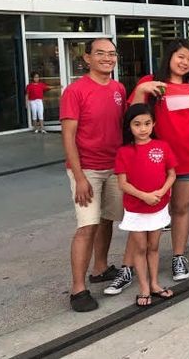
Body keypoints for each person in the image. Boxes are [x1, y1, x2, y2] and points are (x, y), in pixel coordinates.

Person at [129, 39, 189, 280]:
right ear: (169, 56)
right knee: (148, 211)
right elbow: (133, 116)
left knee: (180, 208)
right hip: (155, 160)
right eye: (181, 56)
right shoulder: (152, 84)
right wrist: (140, 92)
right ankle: (137, 262)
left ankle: (179, 256)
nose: (185, 63)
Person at [60, 38, 128, 312]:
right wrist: (79, 178)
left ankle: (100, 268)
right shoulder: (75, 91)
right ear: (87, 58)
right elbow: (68, 137)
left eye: (111, 54)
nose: (107, 58)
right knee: (87, 227)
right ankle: (78, 289)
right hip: (86, 169)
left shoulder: (118, 88)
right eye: (100, 53)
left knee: (107, 220)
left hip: (114, 166)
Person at [115, 104, 177, 306]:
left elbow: (172, 174)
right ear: (129, 127)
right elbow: (123, 183)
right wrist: (144, 196)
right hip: (135, 208)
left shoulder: (162, 146)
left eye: (147, 123)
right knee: (140, 248)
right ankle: (143, 287)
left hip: (158, 206)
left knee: (154, 246)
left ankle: (155, 283)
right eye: (137, 124)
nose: (143, 129)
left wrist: (161, 192)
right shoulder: (124, 152)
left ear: (154, 124)